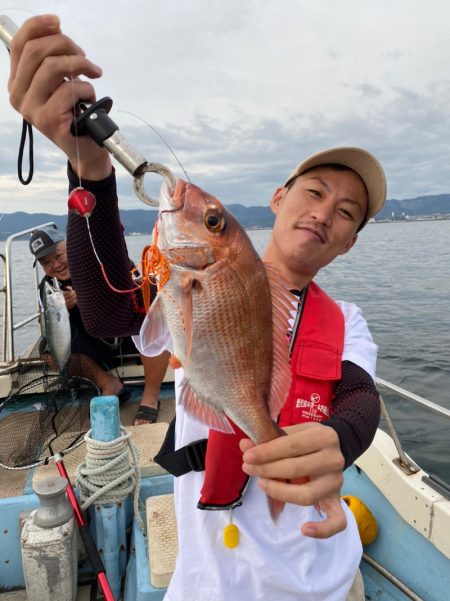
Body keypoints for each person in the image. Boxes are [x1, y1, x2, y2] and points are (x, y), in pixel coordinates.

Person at [7, 15, 385, 600]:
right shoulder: (189, 279)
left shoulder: (347, 321)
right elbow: (108, 313)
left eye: (347, 212)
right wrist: (91, 173)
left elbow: (360, 394)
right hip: (211, 581)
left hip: (325, 574)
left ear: (351, 239)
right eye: (316, 191)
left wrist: (340, 439)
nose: (325, 212)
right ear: (279, 198)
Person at [29, 223, 170, 424]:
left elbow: (140, 293)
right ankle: (109, 384)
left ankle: (150, 397)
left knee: (154, 322)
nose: (56, 265)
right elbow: (52, 331)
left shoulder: (103, 262)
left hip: (127, 337)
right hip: (94, 349)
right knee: (49, 353)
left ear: (69, 245)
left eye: (58, 256)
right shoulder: (48, 288)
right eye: (46, 262)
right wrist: (65, 311)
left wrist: (90, 298)